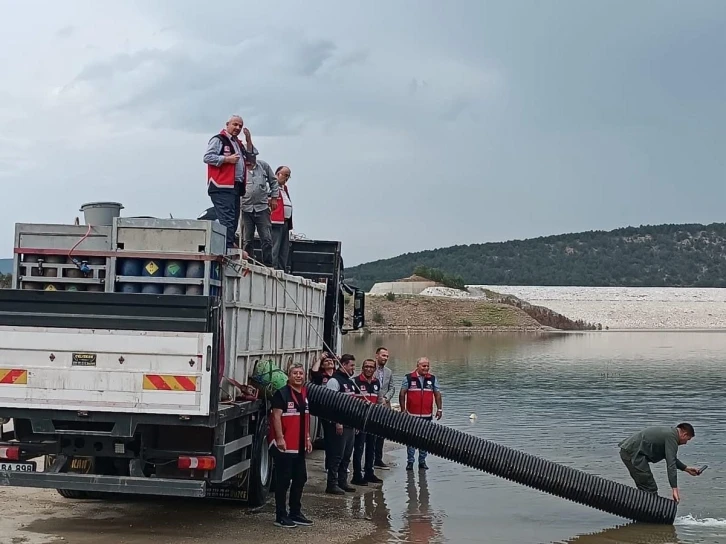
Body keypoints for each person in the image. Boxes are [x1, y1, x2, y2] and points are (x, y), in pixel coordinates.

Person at [203, 115, 257, 253]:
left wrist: (248, 140)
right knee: (227, 218)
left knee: (233, 219)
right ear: (227, 124)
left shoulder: (237, 143)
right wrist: (227, 159)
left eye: (240, 125)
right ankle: (226, 248)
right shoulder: (218, 139)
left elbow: (251, 159)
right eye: (235, 124)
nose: (237, 128)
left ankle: (229, 244)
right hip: (221, 185)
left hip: (235, 186)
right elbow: (208, 157)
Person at [268, 363, 313, 528]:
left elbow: (305, 419)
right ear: (289, 376)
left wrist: (307, 439)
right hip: (285, 445)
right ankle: (281, 515)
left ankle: (295, 512)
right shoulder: (282, 394)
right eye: (295, 373)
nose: (299, 376)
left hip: (299, 445)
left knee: (301, 478)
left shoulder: (304, 394)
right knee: (283, 480)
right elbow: (276, 417)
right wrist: (280, 438)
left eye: (301, 373)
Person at [618, 422, 702, 503]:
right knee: (649, 488)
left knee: (645, 488)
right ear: (684, 434)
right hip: (632, 453)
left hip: (632, 452)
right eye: (687, 439)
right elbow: (671, 464)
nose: (685, 443)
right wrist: (674, 489)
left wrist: (686, 469)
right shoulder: (671, 437)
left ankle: (645, 511)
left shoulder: (670, 434)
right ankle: (650, 513)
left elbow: (671, 458)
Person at [399, 357, 442, 471]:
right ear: (417, 366)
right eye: (424, 366)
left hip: (427, 416)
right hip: (411, 415)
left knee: (424, 440)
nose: (426, 368)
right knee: (411, 440)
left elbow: (437, 394)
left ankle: (422, 461)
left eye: (428, 366)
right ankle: (410, 462)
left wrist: (439, 409)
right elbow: (402, 394)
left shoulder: (432, 379)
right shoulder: (408, 378)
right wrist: (403, 410)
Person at [324, 353, 358, 494]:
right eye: (351, 366)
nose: (353, 368)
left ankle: (343, 482)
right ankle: (331, 484)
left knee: (346, 456)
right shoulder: (334, 381)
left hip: (350, 424)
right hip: (340, 425)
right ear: (343, 365)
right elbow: (331, 405)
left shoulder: (350, 381)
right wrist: (338, 423)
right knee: (336, 455)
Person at [240, 154, 279, 266]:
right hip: (246, 208)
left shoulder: (263, 166)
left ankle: (268, 264)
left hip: (262, 208)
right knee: (247, 240)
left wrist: (274, 197)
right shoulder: (240, 167)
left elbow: (273, 182)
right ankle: (249, 263)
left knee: (266, 238)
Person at [351, 359, 384, 486]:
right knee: (359, 449)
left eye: (371, 367)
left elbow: (379, 401)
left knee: (371, 448)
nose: (369, 369)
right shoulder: (356, 382)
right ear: (362, 368)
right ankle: (357, 475)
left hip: (373, 421)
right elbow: (351, 402)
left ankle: (369, 473)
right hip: (360, 422)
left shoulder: (377, 382)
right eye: (366, 367)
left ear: (375, 369)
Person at [374, 347, 395, 469]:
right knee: (370, 435)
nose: (385, 358)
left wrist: (386, 398)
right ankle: (368, 460)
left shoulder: (389, 372)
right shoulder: (370, 369)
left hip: (385, 407)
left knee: (381, 435)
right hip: (372, 405)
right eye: (383, 355)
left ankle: (378, 459)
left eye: (387, 356)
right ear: (377, 356)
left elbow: (392, 387)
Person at [270, 165, 293, 271]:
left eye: (288, 176)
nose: (286, 178)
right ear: (278, 174)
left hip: (285, 221)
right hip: (276, 220)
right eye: (285, 175)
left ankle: (281, 268)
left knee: (284, 248)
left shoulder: (285, 188)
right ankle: (273, 266)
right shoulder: (271, 185)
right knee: (275, 246)